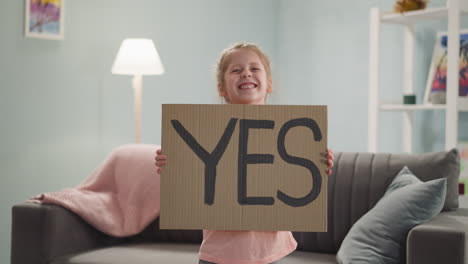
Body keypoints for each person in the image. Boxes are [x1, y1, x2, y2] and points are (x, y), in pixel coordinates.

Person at [155, 43, 335, 264]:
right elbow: (190, 181)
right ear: (222, 88)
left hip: (270, 254)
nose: (246, 73)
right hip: (218, 254)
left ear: (269, 84)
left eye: (254, 68)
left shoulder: (291, 136)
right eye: (236, 70)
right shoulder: (206, 132)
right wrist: (173, 162)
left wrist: (316, 162)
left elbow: (298, 184)